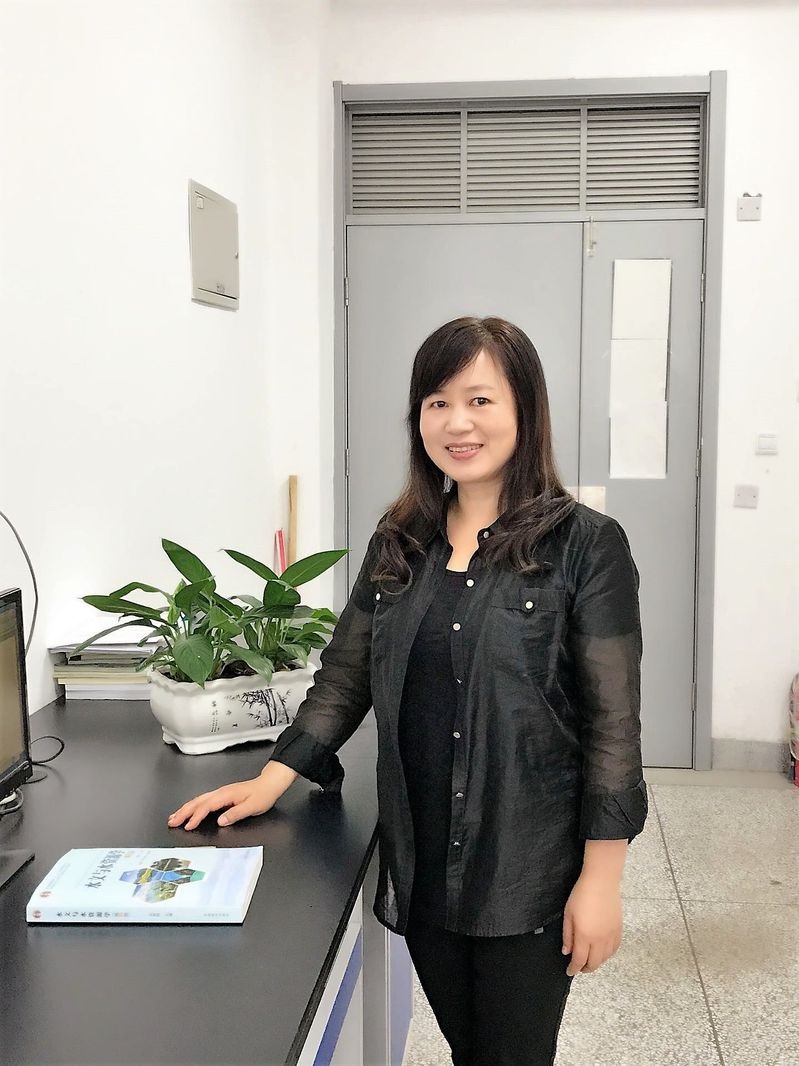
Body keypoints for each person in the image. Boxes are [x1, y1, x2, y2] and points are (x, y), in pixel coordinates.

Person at [167, 316, 648, 1065]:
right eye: (436, 402)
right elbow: (346, 673)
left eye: (480, 400)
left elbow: (613, 728)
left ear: (525, 409)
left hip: (524, 863)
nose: (457, 423)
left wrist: (601, 881)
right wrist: (273, 778)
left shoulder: (585, 544)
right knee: (467, 1049)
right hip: (421, 858)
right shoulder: (401, 539)